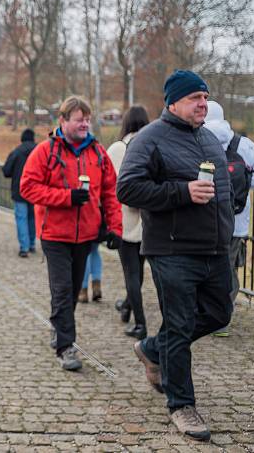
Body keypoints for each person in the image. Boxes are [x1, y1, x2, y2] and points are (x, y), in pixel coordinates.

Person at [117, 70, 234, 441]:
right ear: (172, 102)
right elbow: (128, 188)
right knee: (180, 324)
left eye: (205, 96)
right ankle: (181, 404)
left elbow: (224, 189)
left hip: (214, 248)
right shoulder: (150, 139)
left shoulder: (209, 138)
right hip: (171, 249)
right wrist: (182, 192)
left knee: (219, 313)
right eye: (194, 97)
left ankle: (152, 348)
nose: (202, 103)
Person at [20, 96, 123, 371]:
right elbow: (27, 187)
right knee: (63, 290)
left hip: (86, 235)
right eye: (79, 120)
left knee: (75, 288)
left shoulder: (98, 153)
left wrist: (115, 227)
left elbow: (110, 193)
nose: (84, 124)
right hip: (54, 234)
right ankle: (66, 347)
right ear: (63, 121)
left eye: (87, 120)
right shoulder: (46, 151)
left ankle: (59, 329)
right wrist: (66, 197)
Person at [203, 100, 254, 336]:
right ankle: (222, 319)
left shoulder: (198, 140)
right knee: (228, 268)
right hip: (237, 221)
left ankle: (204, 313)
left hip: (206, 218)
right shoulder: (244, 145)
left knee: (204, 266)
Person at [107, 105, 151, 340]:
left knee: (131, 273)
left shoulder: (117, 149)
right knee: (139, 271)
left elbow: (109, 185)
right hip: (149, 219)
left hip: (124, 218)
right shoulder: (152, 145)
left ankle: (140, 323)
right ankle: (126, 305)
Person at [2, 128, 37, 257]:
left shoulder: (17, 152)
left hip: (19, 191)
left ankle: (24, 247)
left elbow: (6, 171)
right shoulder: (39, 151)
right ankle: (32, 243)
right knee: (33, 218)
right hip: (36, 192)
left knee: (22, 219)